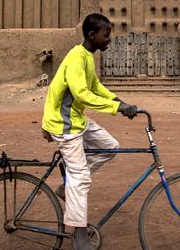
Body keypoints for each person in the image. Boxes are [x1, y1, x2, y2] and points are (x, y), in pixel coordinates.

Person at [40, 13, 138, 250]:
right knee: (81, 177)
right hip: (64, 124)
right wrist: (117, 108)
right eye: (106, 35)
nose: (109, 40)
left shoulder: (87, 56)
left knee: (110, 146)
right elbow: (83, 94)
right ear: (91, 35)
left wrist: (119, 101)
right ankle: (79, 236)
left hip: (76, 119)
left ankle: (68, 187)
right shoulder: (76, 57)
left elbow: (95, 87)